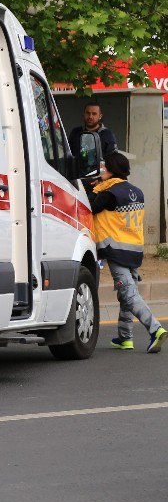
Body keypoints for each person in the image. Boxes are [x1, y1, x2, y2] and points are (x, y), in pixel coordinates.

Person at [86, 151, 166, 354]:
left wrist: (92, 188)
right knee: (126, 294)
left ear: (111, 170)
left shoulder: (108, 193)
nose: (101, 171)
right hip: (134, 251)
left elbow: (89, 207)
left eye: (104, 168)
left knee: (129, 295)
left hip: (116, 250)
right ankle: (125, 337)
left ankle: (155, 329)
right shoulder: (137, 191)